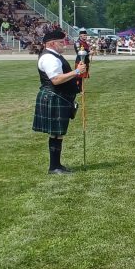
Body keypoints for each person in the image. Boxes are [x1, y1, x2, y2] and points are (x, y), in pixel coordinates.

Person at [32, 29, 86, 174]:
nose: (64, 44)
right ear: (52, 43)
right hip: (54, 97)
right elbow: (56, 79)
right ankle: (54, 167)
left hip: (58, 97)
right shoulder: (49, 58)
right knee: (56, 133)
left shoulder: (54, 56)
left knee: (58, 133)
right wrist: (76, 72)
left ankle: (56, 165)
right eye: (61, 42)